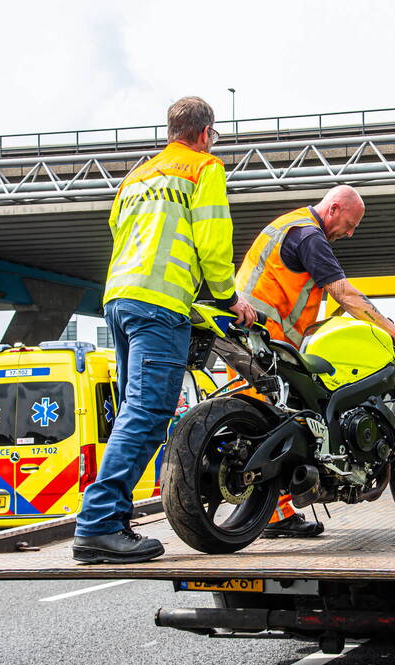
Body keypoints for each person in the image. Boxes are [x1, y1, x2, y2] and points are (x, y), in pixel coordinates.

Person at [73, 96, 256, 564]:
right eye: (213, 135)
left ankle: (106, 520)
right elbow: (213, 239)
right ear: (203, 133)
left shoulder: (138, 174)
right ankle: (98, 525)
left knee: (133, 412)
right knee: (149, 413)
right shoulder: (203, 168)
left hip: (119, 300)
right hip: (159, 306)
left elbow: (120, 230)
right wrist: (228, 298)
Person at [235, 185, 395, 538]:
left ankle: (279, 507)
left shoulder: (289, 226)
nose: (349, 234)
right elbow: (345, 293)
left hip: (251, 331)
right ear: (334, 208)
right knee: (276, 419)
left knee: (269, 417)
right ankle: (276, 516)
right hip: (266, 335)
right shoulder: (309, 235)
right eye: (350, 224)